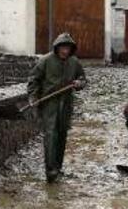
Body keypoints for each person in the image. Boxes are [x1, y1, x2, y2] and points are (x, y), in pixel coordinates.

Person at [27, 33, 87, 183]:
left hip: (66, 103)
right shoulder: (46, 61)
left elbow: (83, 78)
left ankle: (58, 167)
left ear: (71, 49)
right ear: (57, 47)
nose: (65, 51)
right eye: (62, 47)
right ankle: (50, 170)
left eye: (67, 48)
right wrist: (33, 97)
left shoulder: (74, 62)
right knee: (50, 136)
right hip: (50, 103)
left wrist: (79, 83)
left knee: (61, 135)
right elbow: (33, 80)